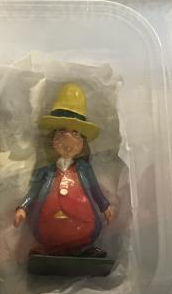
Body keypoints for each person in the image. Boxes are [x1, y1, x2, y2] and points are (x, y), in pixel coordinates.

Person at [14, 84, 115, 261]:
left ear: (82, 143)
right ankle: (51, 251)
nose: (68, 141)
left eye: (76, 134)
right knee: (47, 232)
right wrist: (23, 207)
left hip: (82, 221)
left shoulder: (84, 169)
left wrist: (104, 206)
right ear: (52, 139)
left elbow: (95, 189)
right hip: (48, 223)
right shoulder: (46, 169)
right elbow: (34, 190)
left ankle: (82, 250)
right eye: (62, 133)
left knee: (85, 232)